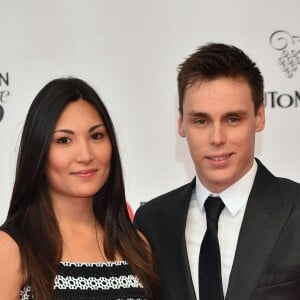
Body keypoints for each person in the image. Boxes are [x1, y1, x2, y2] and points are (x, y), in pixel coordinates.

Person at [134, 43, 300, 300]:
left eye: (233, 119)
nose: (217, 138)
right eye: (201, 121)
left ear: (259, 117)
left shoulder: (296, 210)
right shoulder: (151, 223)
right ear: (181, 123)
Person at [0, 77, 158, 300]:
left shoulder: (137, 246)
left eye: (96, 136)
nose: (85, 155)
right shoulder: (11, 248)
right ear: (39, 151)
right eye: (64, 140)